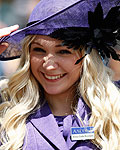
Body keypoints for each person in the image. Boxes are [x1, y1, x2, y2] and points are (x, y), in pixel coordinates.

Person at [0, 0, 120, 150]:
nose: (49, 65)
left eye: (63, 51)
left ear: (87, 58)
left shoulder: (114, 110)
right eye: (39, 50)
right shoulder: (7, 113)